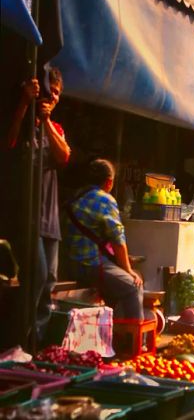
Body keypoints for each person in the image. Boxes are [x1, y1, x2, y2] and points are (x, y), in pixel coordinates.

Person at [4, 69, 71, 341]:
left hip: (50, 221)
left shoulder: (54, 128)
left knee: (48, 284)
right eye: (49, 91)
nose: (52, 96)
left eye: (57, 92)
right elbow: (8, 142)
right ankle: (15, 341)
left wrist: (45, 121)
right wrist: (24, 104)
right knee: (37, 276)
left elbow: (64, 155)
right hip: (27, 217)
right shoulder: (24, 120)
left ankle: (36, 344)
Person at [66, 159, 143, 320]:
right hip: (91, 265)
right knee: (133, 286)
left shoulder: (76, 197)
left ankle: (112, 333)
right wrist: (128, 270)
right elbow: (118, 240)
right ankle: (132, 342)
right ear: (109, 182)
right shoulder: (105, 199)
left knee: (120, 283)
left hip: (71, 264)